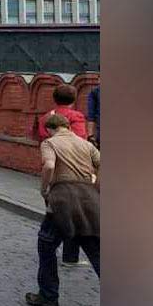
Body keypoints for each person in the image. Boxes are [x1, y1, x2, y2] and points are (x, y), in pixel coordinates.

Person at [25, 112, 101, 306]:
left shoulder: (50, 143)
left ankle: (48, 295)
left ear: (49, 129)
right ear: (68, 126)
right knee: (95, 249)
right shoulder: (86, 144)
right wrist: (96, 187)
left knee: (46, 243)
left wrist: (44, 188)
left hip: (63, 199)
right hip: (89, 199)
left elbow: (49, 165)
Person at [30, 84, 92, 268]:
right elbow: (81, 141)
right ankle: (69, 256)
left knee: (55, 212)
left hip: (50, 170)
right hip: (72, 173)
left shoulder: (45, 118)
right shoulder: (76, 117)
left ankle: (59, 252)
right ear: (74, 99)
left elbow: (38, 137)